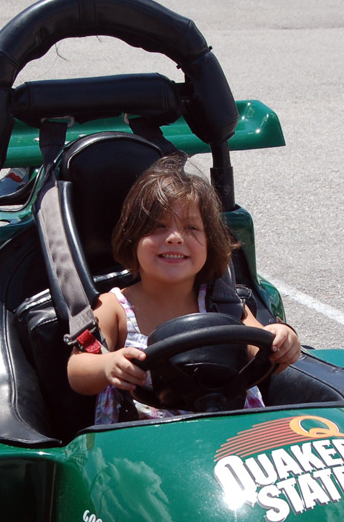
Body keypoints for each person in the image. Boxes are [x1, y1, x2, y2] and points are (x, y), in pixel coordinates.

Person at [67, 154, 302, 423]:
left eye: (191, 227)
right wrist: (107, 365)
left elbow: (264, 351)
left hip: (233, 431)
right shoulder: (114, 308)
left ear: (210, 241)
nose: (175, 238)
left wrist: (282, 340)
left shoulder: (221, 301)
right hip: (146, 440)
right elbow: (77, 370)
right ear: (133, 237)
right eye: (158, 226)